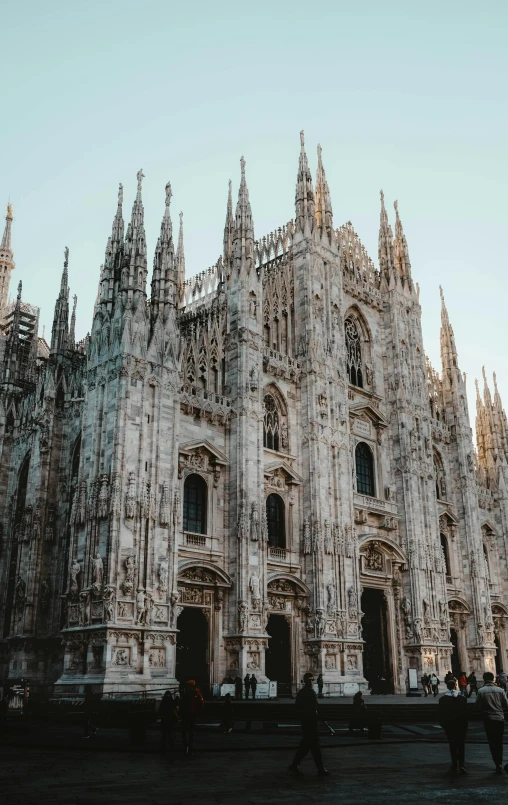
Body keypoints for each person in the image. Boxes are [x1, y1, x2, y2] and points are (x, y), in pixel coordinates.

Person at [288, 673, 331, 776]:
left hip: (311, 722)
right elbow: (298, 708)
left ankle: (294, 765)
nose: (311, 682)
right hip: (308, 723)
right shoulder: (303, 693)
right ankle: (320, 769)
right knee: (314, 746)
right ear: (304, 682)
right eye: (309, 680)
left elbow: (315, 707)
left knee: (306, 746)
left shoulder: (311, 692)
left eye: (312, 680)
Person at [476, 671, 508, 773]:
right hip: (499, 718)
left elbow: (477, 705)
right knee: (499, 741)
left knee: (492, 741)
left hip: (488, 719)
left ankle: (496, 762)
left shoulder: (481, 691)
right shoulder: (500, 690)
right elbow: (506, 704)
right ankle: (500, 762)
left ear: (484, 679)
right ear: (493, 678)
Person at [438, 680, 468, 774]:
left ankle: (454, 764)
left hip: (449, 725)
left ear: (447, 687)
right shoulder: (462, 699)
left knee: (452, 745)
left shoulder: (442, 700)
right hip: (461, 725)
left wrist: (443, 724)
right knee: (461, 745)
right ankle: (462, 765)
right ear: (456, 686)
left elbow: (440, 714)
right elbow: (466, 714)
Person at [180, 679, 204, 755]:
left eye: (188, 685)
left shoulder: (194, 693)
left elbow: (201, 705)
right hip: (188, 715)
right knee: (188, 731)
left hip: (189, 715)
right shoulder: (190, 693)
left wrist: (196, 713)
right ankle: (188, 745)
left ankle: (188, 745)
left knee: (187, 731)